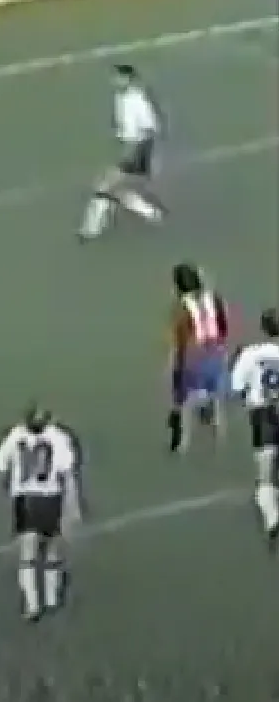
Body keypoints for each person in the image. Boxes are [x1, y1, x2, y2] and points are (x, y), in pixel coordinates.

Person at [0, 406, 80, 622]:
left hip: (25, 499)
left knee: (28, 555)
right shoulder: (58, 436)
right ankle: (51, 598)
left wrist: (9, 487)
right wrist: (73, 504)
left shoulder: (16, 435)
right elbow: (67, 473)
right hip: (50, 498)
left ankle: (32, 605)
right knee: (52, 551)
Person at [77, 64, 164, 240]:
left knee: (103, 185)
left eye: (118, 76)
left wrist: (135, 151)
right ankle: (151, 212)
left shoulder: (137, 100)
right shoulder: (120, 97)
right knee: (117, 189)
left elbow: (151, 127)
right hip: (129, 148)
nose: (114, 80)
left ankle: (91, 229)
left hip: (136, 150)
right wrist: (120, 135)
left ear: (128, 79)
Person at [166, 263, 230, 453]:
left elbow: (179, 339)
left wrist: (175, 369)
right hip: (216, 352)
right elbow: (224, 326)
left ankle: (183, 444)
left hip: (193, 356)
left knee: (186, 403)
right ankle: (219, 442)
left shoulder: (181, 306)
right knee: (216, 401)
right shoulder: (215, 299)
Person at [229, 308, 279, 548]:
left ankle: (272, 518)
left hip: (263, 415)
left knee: (266, 476)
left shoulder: (250, 353)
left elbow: (237, 387)